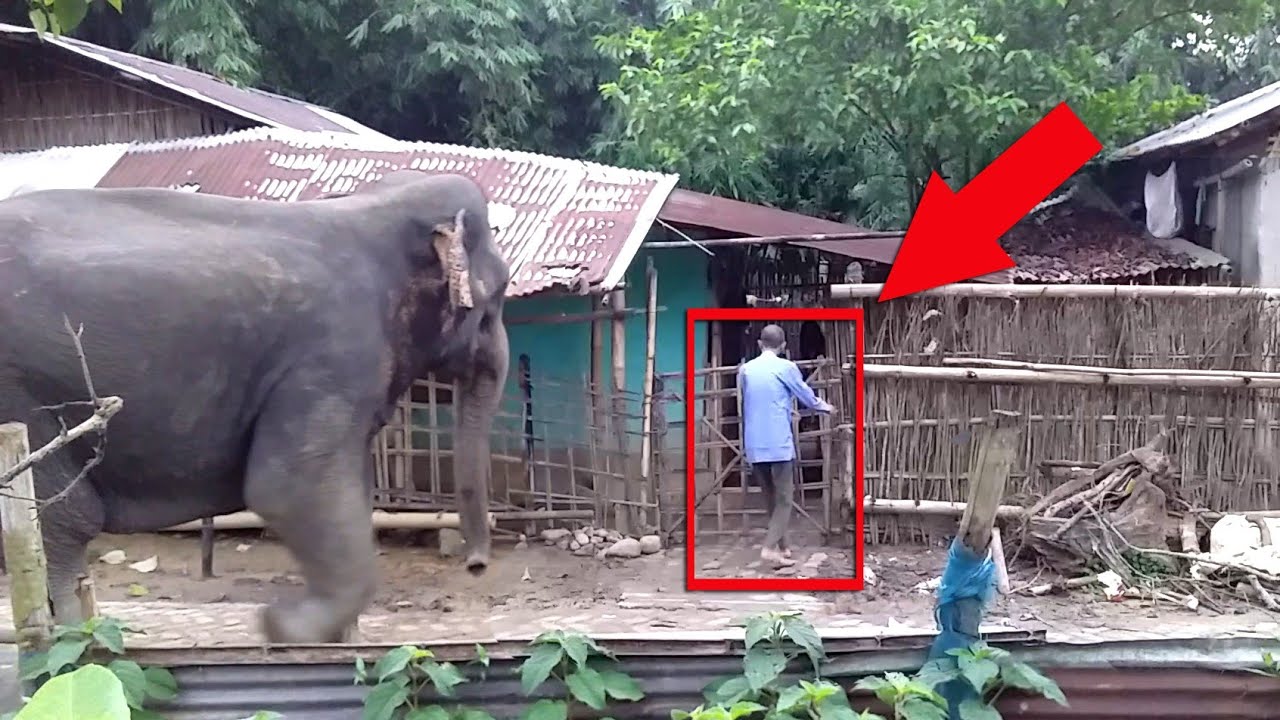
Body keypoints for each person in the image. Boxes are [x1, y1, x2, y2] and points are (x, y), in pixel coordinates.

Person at [736, 324, 834, 568]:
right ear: (783, 346)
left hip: (755, 443)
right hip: (778, 443)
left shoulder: (745, 370)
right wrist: (826, 407)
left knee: (771, 497)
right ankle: (769, 548)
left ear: (759, 344)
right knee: (785, 499)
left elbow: (747, 401)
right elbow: (805, 396)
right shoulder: (786, 367)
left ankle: (783, 547)